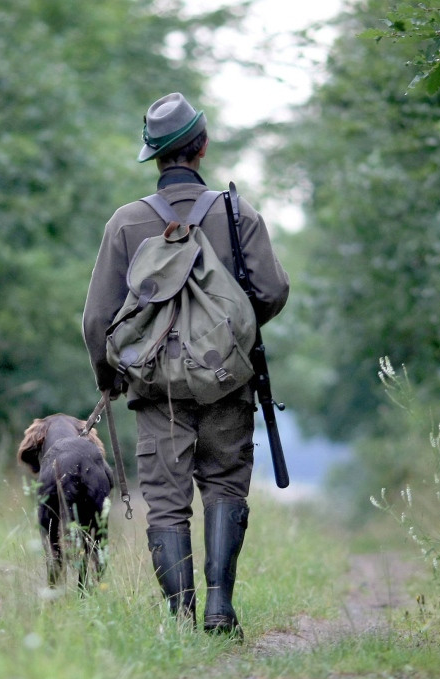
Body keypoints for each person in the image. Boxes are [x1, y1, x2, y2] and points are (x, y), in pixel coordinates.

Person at [82, 92, 290, 639]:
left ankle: (180, 621)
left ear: (154, 156)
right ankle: (220, 610)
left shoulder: (126, 223)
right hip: (227, 382)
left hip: (156, 392)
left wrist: (111, 377)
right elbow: (272, 291)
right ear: (202, 147)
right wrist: (231, 336)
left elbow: (97, 318)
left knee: (167, 504)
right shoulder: (238, 214)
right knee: (225, 486)